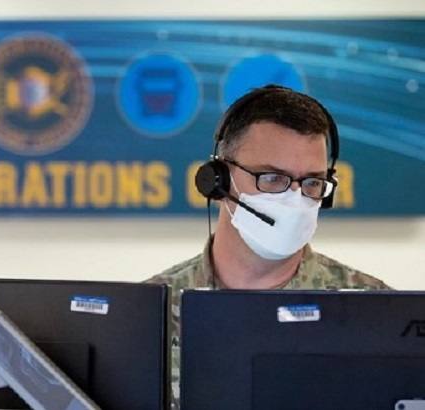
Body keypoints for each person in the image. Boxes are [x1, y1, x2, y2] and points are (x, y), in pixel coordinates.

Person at [143, 84, 392, 409]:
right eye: (273, 178)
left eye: (312, 183)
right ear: (217, 179)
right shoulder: (147, 317)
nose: (295, 199)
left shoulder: (379, 313)